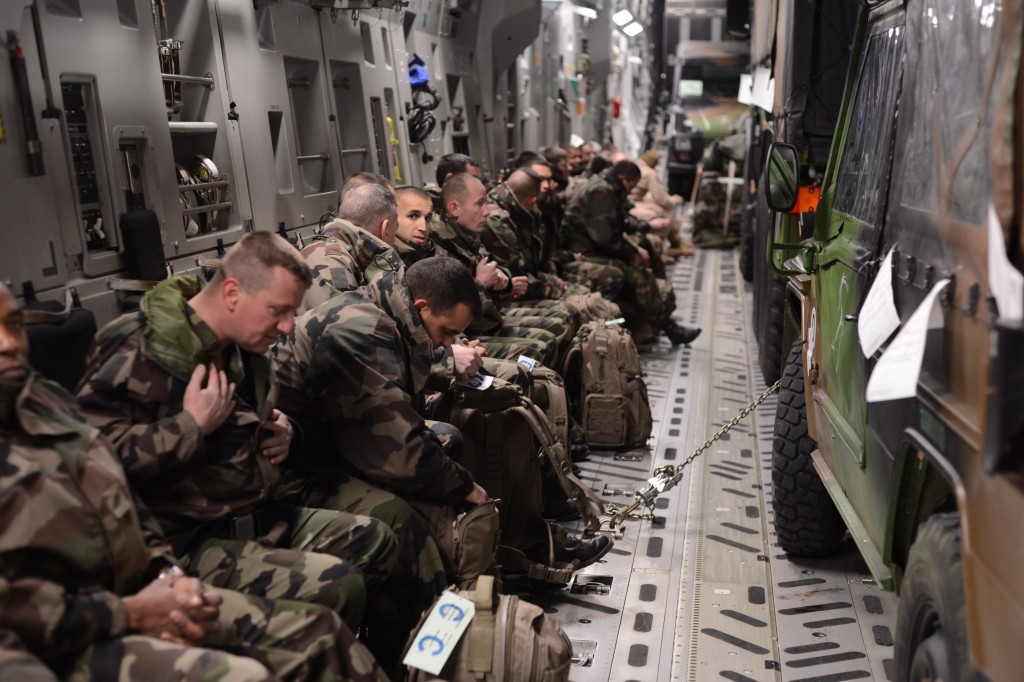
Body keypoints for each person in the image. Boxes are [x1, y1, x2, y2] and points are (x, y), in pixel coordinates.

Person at [0, 282, 387, 682]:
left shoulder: (43, 402)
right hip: (63, 642)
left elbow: (121, 500)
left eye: (14, 325)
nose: (8, 344)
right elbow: (17, 611)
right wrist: (189, 427)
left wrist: (168, 578)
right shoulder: (136, 351)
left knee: (322, 631)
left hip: (143, 583)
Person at [76, 232, 398, 631]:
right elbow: (88, 464)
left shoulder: (241, 348)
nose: (286, 326)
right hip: (186, 542)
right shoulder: (139, 346)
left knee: (375, 538)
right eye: (278, 311)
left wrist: (287, 434)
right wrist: (189, 426)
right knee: (338, 584)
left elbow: (248, 427)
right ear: (232, 293)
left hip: (253, 514)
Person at [272, 259, 609, 578]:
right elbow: (401, 452)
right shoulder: (363, 330)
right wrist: (467, 489)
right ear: (422, 307)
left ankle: (519, 545)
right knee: (412, 514)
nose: (447, 344)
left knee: (480, 422)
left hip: (335, 443)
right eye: (447, 332)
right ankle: (451, 593)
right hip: (296, 470)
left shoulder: (389, 312)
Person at [565, 160, 702, 346]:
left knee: (641, 256)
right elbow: (604, 238)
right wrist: (631, 255)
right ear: (623, 178)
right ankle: (667, 326)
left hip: (591, 246)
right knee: (634, 274)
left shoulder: (606, 188)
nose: (631, 190)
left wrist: (635, 247)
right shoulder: (601, 192)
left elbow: (617, 224)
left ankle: (664, 324)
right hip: (582, 251)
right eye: (631, 185)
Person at [432, 173, 561, 364]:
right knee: (538, 347)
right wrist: (480, 284)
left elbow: (499, 266)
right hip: (469, 334)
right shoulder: (441, 246)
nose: (487, 211)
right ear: (455, 208)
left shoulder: (467, 234)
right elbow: (454, 314)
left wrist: (504, 281)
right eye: (479, 204)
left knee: (552, 332)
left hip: (491, 319)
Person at [301, 176, 403, 313]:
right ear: (384, 230)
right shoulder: (331, 261)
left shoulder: (342, 254)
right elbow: (341, 323)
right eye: (395, 231)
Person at [394, 185, 436, 266]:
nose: (423, 228)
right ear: (391, 218)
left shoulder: (440, 259)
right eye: (413, 216)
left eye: (427, 218)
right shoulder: (377, 263)